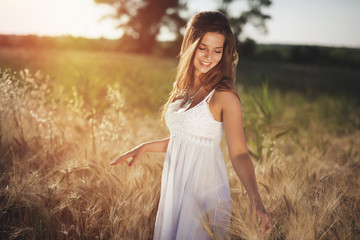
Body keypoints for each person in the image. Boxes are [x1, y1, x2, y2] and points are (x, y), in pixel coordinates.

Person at [110, 11, 273, 239]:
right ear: (190, 44)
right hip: (175, 192)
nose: (209, 57)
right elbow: (185, 140)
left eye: (217, 51)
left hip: (203, 197)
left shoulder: (224, 95)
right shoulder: (182, 86)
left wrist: (256, 199)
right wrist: (146, 146)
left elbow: (239, 153)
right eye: (202, 47)